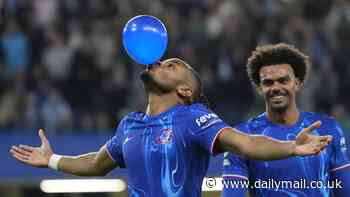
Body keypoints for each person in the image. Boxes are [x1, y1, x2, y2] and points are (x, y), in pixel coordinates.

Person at [10, 58, 332, 197]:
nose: (161, 63)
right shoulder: (129, 125)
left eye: (172, 65)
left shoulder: (193, 118)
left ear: (185, 91)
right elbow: (96, 163)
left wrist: (291, 146)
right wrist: (52, 160)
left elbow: (246, 143)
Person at [222, 43, 350, 197]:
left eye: (283, 80)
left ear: (297, 83)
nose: (276, 87)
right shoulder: (241, 137)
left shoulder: (328, 129)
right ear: (259, 88)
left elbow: (345, 190)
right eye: (268, 82)